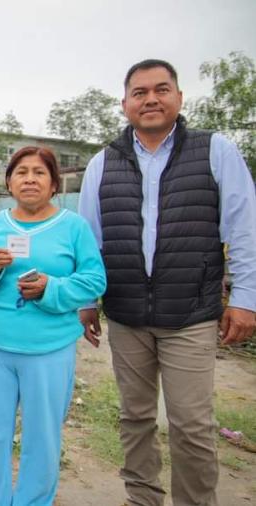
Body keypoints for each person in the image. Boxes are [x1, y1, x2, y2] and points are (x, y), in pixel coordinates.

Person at [77, 59, 256, 506]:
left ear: (179, 97)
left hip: (191, 314)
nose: (150, 99)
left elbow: (245, 229)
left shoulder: (215, 151)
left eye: (161, 89)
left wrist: (246, 298)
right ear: (125, 104)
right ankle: (142, 499)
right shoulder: (103, 163)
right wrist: (86, 301)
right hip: (126, 313)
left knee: (192, 425)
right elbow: (88, 241)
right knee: (134, 417)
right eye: (139, 92)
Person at [0, 146, 106, 506]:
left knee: (42, 435)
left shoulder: (73, 227)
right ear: (9, 182)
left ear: (54, 183)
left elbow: (93, 280)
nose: (29, 179)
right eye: (21, 172)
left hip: (49, 348)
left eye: (39, 173)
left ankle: (33, 501)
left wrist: (50, 288)